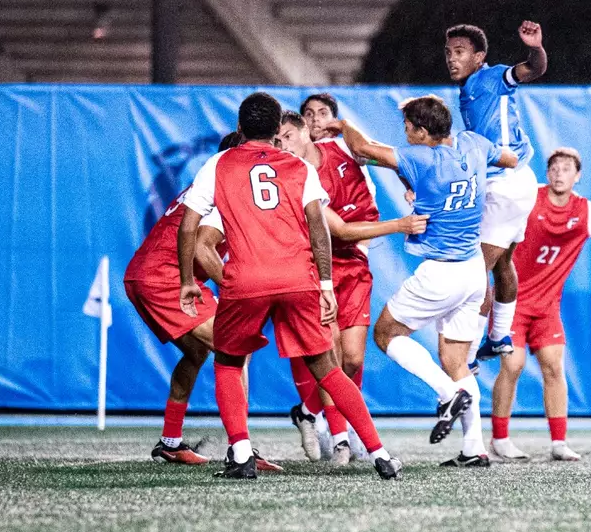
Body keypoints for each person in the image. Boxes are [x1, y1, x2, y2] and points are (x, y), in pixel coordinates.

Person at [176, 92, 399, 480]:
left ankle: (242, 453)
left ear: (240, 128)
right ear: (277, 131)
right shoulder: (298, 167)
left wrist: (185, 282)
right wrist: (326, 284)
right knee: (329, 369)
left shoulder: (219, 164)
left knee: (228, 364)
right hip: (298, 278)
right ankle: (380, 454)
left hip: (246, 279)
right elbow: (319, 228)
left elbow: (189, 227)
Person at [330, 96, 520, 468]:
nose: (406, 135)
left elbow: (362, 149)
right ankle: (473, 449)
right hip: (472, 271)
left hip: (442, 272)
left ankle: (446, 394)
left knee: (386, 334)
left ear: (421, 131)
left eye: (408, 129)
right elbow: (510, 160)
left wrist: (343, 125)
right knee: (455, 359)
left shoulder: (422, 158)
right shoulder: (473, 143)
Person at [273, 110, 427, 465]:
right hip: (316, 267)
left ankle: (312, 415)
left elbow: (382, 153)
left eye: (288, 136)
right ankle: (341, 437)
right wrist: (399, 224)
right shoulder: (293, 177)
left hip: (354, 264)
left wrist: (409, 181)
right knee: (330, 356)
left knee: (353, 358)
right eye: (277, 140)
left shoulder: (343, 148)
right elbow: (339, 230)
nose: (283, 144)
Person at [487, 147, 591, 462]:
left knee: (554, 368)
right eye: (554, 167)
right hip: (511, 301)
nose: (559, 173)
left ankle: (559, 443)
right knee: (512, 366)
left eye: (567, 168)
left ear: (578, 176)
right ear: (547, 173)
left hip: (547, 308)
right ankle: (499, 439)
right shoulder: (528, 198)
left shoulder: (584, 210)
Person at [121, 129, 243, 466]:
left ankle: (170, 442)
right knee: (235, 346)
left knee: (198, 350)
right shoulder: (226, 191)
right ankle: (242, 448)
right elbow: (204, 250)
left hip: (147, 274)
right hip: (165, 278)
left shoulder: (214, 186)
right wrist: (239, 289)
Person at [442, 22, 547, 362]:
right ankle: (500, 335)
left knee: (475, 271)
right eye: (448, 53)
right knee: (503, 263)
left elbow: (533, 69)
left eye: (459, 52)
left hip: (507, 182)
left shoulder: (491, 78)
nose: (452, 59)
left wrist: (535, 48)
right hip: (517, 180)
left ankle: (468, 354)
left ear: (479, 56)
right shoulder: (468, 87)